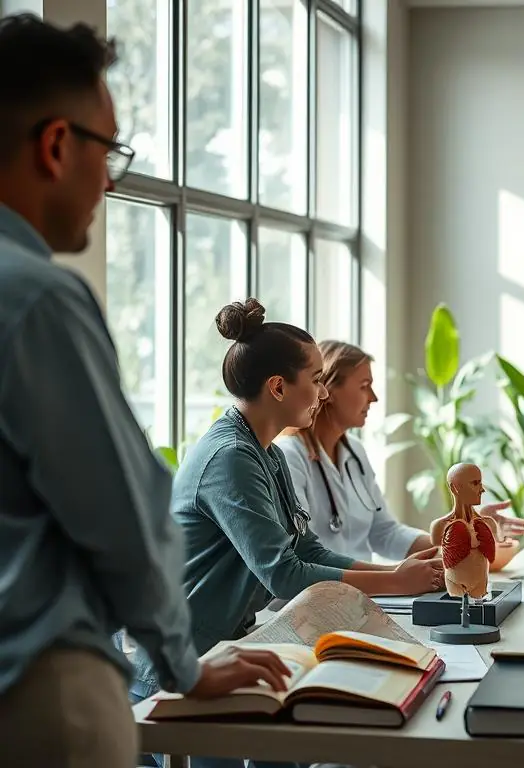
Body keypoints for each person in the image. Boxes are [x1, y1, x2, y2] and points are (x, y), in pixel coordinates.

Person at [0, 15, 287, 768]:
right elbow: (122, 515)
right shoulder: (37, 300)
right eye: (109, 149)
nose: (111, 178)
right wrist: (181, 665)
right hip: (40, 693)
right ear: (57, 145)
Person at [129, 300, 444, 768]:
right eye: (317, 378)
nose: (323, 391)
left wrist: (396, 570)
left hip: (225, 651)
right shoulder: (230, 458)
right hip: (183, 667)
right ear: (278, 387)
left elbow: (305, 546)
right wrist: (397, 582)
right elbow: (283, 572)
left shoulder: (265, 453)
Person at [276, 340, 524, 562]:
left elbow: (385, 533)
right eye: (364, 386)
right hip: (316, 598)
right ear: (328, 389)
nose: (373, 398)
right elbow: (301, 553)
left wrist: (464, 527)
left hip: (360, 592)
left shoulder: (355, 453)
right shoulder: (289, 456)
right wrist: (393, 579)